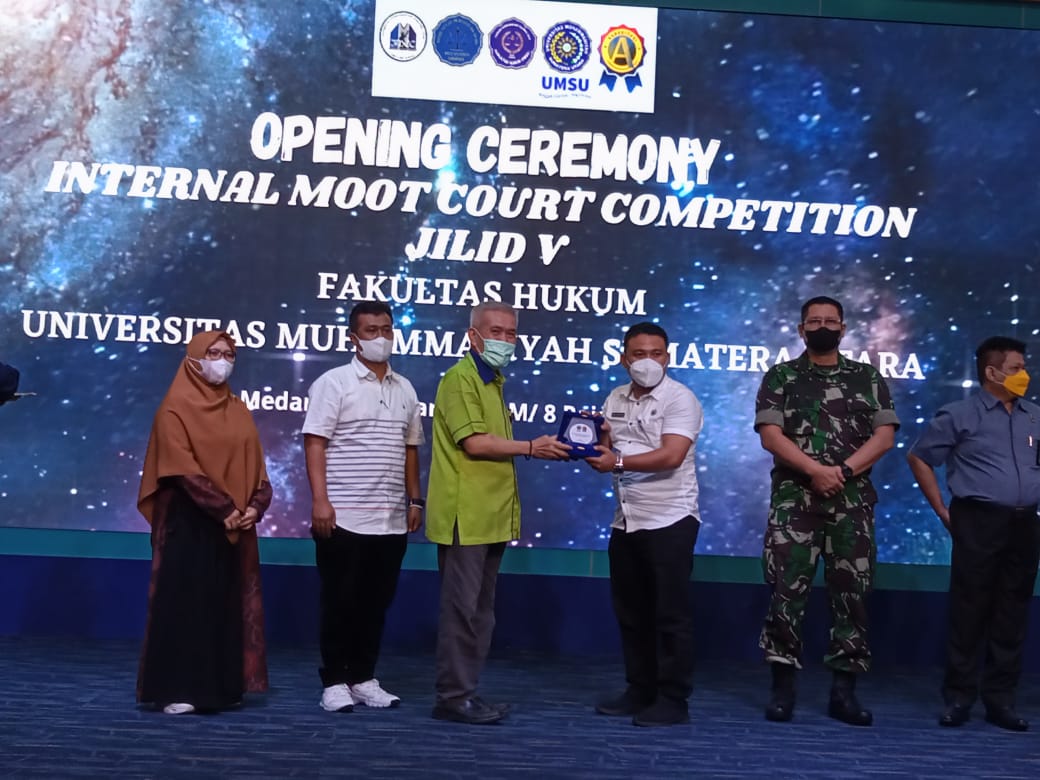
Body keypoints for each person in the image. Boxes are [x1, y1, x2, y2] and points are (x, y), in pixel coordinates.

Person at [754, 296, 898, 726]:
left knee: (852, 595)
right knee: (785, 592)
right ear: (801, 330)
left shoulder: (867, 377)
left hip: (851, 504)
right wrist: (815, 471)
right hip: (795, 503)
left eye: (830, 321)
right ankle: (782, 687)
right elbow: (771, 435)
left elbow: (884, 437)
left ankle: (844, 692)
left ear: (843, 329)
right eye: (814, 321)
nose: (822, 327)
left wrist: (843, 471)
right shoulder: (782, 376)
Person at [426, 301, 571, 724]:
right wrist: (531, 447)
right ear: (473, 335)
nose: (505, 340)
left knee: (481, 614)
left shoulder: (493, 381)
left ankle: (466, 692)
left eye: (511, 333)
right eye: (496, 332)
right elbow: (475, 443)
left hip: (490, 516)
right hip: (465, 516)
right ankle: (452, 698)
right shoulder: (460, 379)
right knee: (462, 612)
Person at [907, 336, 1040, 732]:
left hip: (1025, 523)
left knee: (1012, 611)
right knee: (970, 610)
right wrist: (942, 510)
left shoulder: (1035, 416)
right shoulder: (959, 414)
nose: (1024, 375)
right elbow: (919, 457)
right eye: (1016, 368)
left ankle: (1001, 700)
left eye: (1023, 367)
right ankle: (959, 697)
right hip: (978, 520)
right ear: (992, 372)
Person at [137, 330, 270, 714]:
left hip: (234, 525)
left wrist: (256, 504)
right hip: (190, 522)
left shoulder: (238, 408)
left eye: (229, 354)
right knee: (187, 604)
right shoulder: (173, 409)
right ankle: (178, 689)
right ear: (193, 358)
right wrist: (224, 508)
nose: (221, 360)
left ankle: (222, 687)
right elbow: (180, 468)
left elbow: (257, 466)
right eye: (212, 352)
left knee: (224, 605)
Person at [302, 301, 425, 714]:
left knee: (375, 605)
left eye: (387, 329)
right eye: (371, 331)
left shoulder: (405, 388)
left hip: (390, 519)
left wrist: (415, 499)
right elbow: (315, 442)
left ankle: (364, 677)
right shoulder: (333, 383)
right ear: (353, 338)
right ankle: (334, 681)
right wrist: (320, 501)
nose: (381, 338)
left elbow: (411, 449)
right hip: (343, 516)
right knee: (339, 603)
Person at [584, 322, 703, 727]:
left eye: (656, 354)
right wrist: (594, 441)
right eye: (639, 354)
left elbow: (671, 456)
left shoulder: (681, 398)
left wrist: (615, 461)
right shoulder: (615, 397)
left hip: (671, 517)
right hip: (626, 519)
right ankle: (640, 689)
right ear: (624, 359)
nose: (648, 361)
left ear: (668, 357)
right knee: (631, 612)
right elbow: (608, 451)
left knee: (670, 615)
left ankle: (673, 699)